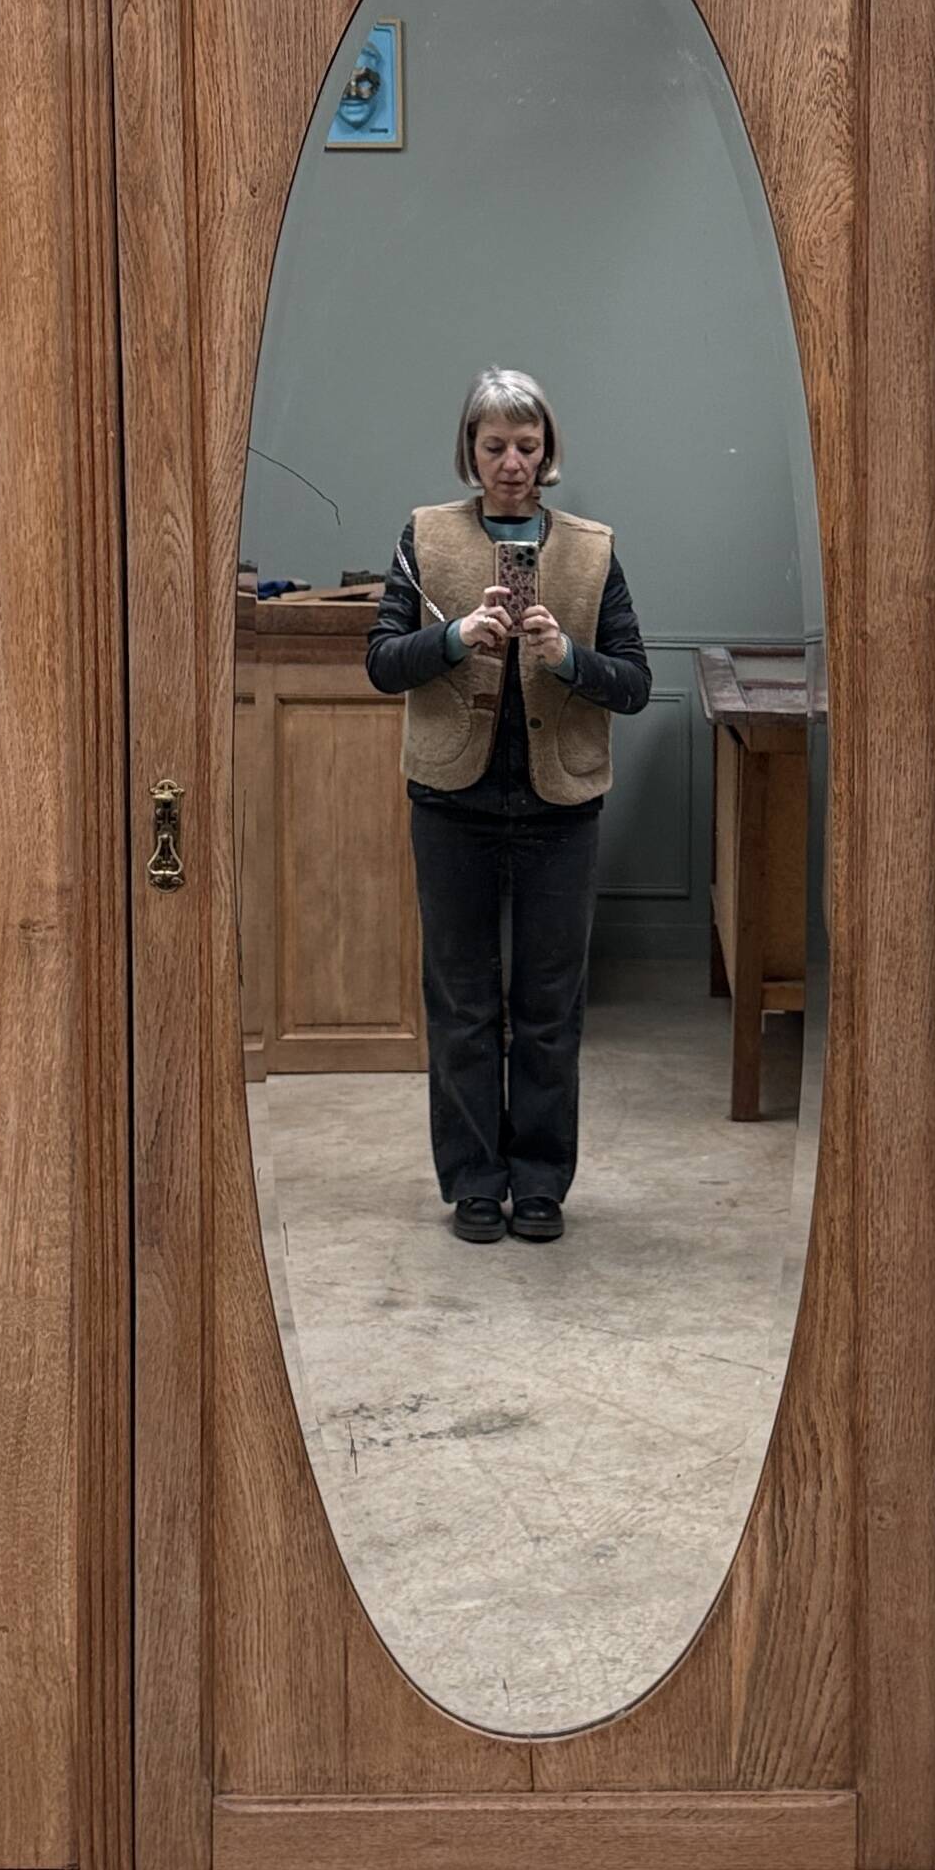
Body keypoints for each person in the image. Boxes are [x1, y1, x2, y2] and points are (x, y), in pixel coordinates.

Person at [364, 367, 652, 1243]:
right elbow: (381, 662)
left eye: (527, 446)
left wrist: (566, 657)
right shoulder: (425, 536)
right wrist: (454, 638)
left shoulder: (592, 551)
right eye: (495, 446)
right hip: (449, 802)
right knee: (461, 1003)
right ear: (471, 451)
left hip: (561, 809)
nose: (513, 463)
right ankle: (475, 1183)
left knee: (549, 1008)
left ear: (547, 449)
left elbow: (635, 683)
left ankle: (539, 1185)